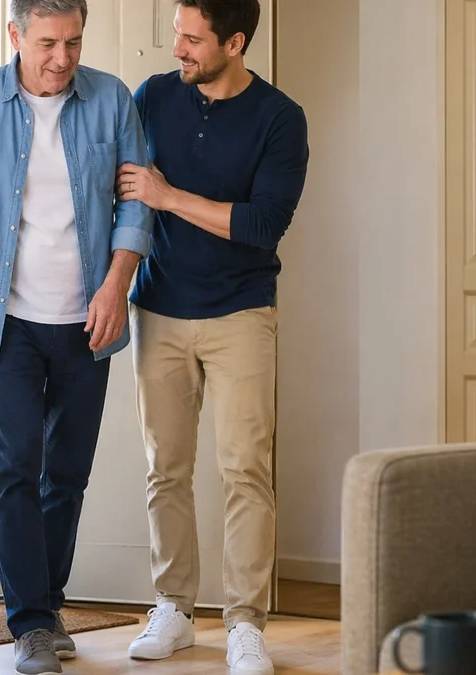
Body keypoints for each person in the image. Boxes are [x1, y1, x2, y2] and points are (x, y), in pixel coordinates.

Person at [0, 0, 153, 672]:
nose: (62, 59)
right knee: (14, 465)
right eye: (47, 43)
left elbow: (136, 206)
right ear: (14, 34)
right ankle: (32, 624)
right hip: (1, 323)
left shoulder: (112, 100)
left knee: (66, 474)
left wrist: (116, 286)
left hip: (87, 319)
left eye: (74, 42)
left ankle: (46, 601)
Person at [117, 0, 308, 673]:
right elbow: (120, 195)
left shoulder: (280, 118)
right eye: (178, 34)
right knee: (165, 467)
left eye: (193, 40)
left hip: (241, 313)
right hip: (159, 309)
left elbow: (261, 226)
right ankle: (172, 607)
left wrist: (169, 197)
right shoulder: (153, 98)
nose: (178, 49)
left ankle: (245, 623)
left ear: (235, 42)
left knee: (245, 470)